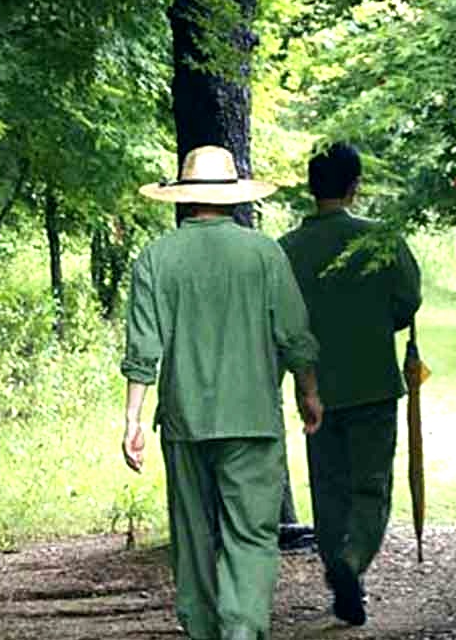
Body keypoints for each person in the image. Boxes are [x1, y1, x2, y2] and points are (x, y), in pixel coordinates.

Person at [120, 145, 324, 640]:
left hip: (185, 421)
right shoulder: (264, 253)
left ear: (184, 198)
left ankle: (203, 630)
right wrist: (309, 392)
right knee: (250, 536)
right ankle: (241, 631)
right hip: (253, 418)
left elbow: (144, 347)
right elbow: (294, 334)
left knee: (192, 538)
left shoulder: (156, 257)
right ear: (234, 197)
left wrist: (132, 421)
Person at [278, 143, 422, 627]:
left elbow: (278, 320)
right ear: (354, 185)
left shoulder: (286, 250)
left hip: (314, 385)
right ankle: (353, 560)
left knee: (329, 486)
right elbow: (408, 301)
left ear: (310, 186)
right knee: (372, 484)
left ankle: (340, 567)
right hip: (373, 383)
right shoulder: (381, 240)